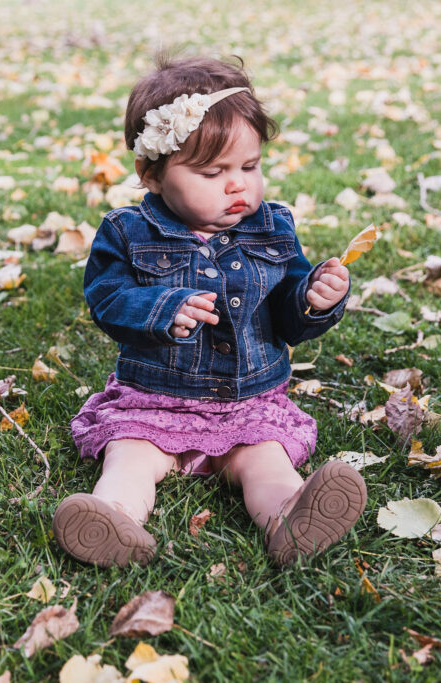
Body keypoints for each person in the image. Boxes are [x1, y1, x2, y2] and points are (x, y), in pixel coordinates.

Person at [53, 55, 366, 568]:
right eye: (211, 172)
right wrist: (160, 310)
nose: (237, 185)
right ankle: (115, 519)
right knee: (129, 457)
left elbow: (287, 314)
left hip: (246, 404)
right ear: (151, 174)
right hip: (155, 401)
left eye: (250, 166)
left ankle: (291, 519)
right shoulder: (127, 233)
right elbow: (107, 300)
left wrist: (312, 300)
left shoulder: (272, 228)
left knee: (264, 461)